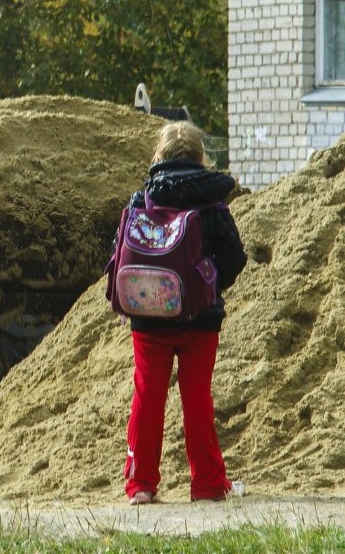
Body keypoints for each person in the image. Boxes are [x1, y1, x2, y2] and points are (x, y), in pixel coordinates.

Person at [121, 120, 248, 505]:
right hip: (199, 319)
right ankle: (208, 485)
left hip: (148, 316)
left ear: (159, 156)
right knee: (197, 398)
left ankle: (141, 484)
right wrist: (205, 285)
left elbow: (120, 249)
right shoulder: (211, 199)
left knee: (147, 395)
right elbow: (234, 257)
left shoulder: (140, 198)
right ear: (199, 156)